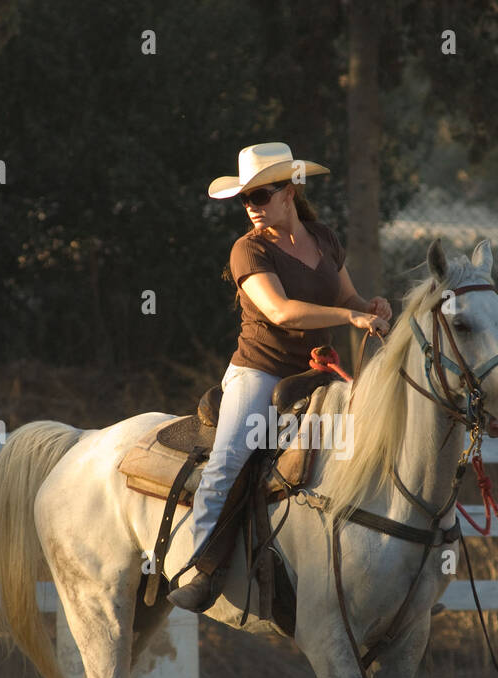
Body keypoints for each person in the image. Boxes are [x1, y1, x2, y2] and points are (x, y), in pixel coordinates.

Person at [168, 142, 392, 612]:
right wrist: (349, 319)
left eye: (261, 195)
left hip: (313, 375)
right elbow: (281, 312)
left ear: (289, 192)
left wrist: (369, 307)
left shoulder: (325, 239)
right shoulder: (247, 250)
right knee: (228, 461)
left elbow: (347, 296)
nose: (251, 207)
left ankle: (385, 571)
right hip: (261, 372)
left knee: (370, 449)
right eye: (245, 199)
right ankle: (201, 566)